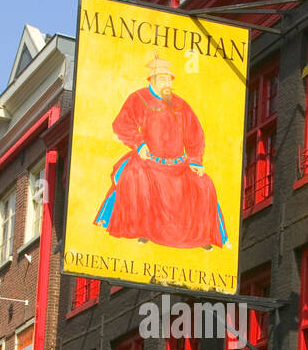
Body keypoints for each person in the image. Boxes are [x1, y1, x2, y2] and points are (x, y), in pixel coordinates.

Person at [94, 52, 228, 250]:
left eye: (169, 79)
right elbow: (122, 124)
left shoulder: (181, 105)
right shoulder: (138, 98)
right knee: (133, 177)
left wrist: (195, 160)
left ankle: (202, 238)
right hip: (149, 163)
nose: (168, 83)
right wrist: (139, 144)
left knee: (204, 184)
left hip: (179, 165)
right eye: (163, 79)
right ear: (153, 79)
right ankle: (141, 230)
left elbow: (195, 134)